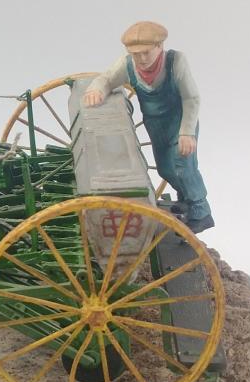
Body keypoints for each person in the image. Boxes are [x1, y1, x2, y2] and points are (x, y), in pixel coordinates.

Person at [83, 21, 214, 233]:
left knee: (184, 168)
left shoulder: (175, 63)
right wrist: (97, 90)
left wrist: (187, 132)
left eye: (146, 52)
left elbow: (191, 98)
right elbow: (106, 79)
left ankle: (201, 211)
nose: (142, 59)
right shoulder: (128, 65)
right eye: (136, 54)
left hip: (180, 124)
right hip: (155, 126)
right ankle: (186, 199)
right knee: (165, 169)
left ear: (160, 46)